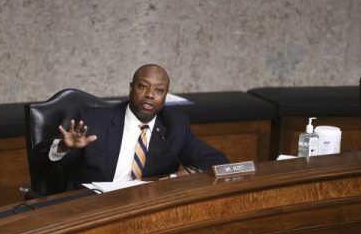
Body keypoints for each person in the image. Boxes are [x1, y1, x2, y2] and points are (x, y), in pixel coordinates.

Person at [43, 64, 228, 187]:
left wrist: (179, 176)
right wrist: (62, 147)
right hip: (94, 208)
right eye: (143, 86)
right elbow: (48, 166)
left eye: (159, 90)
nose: (150, 95)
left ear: (165, 96)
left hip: (145, 207)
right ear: (131, 88)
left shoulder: (175, 125)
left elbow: (216, 159)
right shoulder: (94, 120)